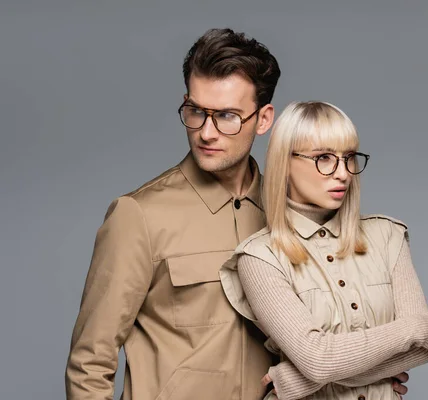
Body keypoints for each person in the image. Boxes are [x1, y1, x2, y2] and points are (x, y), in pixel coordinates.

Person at [65, 28, 282, 400]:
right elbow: (90, 363)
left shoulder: (286, 213)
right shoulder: (137, 215)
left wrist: (372, 373)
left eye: (227, 116)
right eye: (196, 111)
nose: (206, 132)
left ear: (263, 120)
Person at [220, 101, 428, 400]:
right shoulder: (260, 257)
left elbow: (425, 348)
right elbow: (317, 360)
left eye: (349, 158)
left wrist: (298, 380)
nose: (343, 173)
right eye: (324, 158)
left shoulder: (387, 236)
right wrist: (418, 327)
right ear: (285, 162)